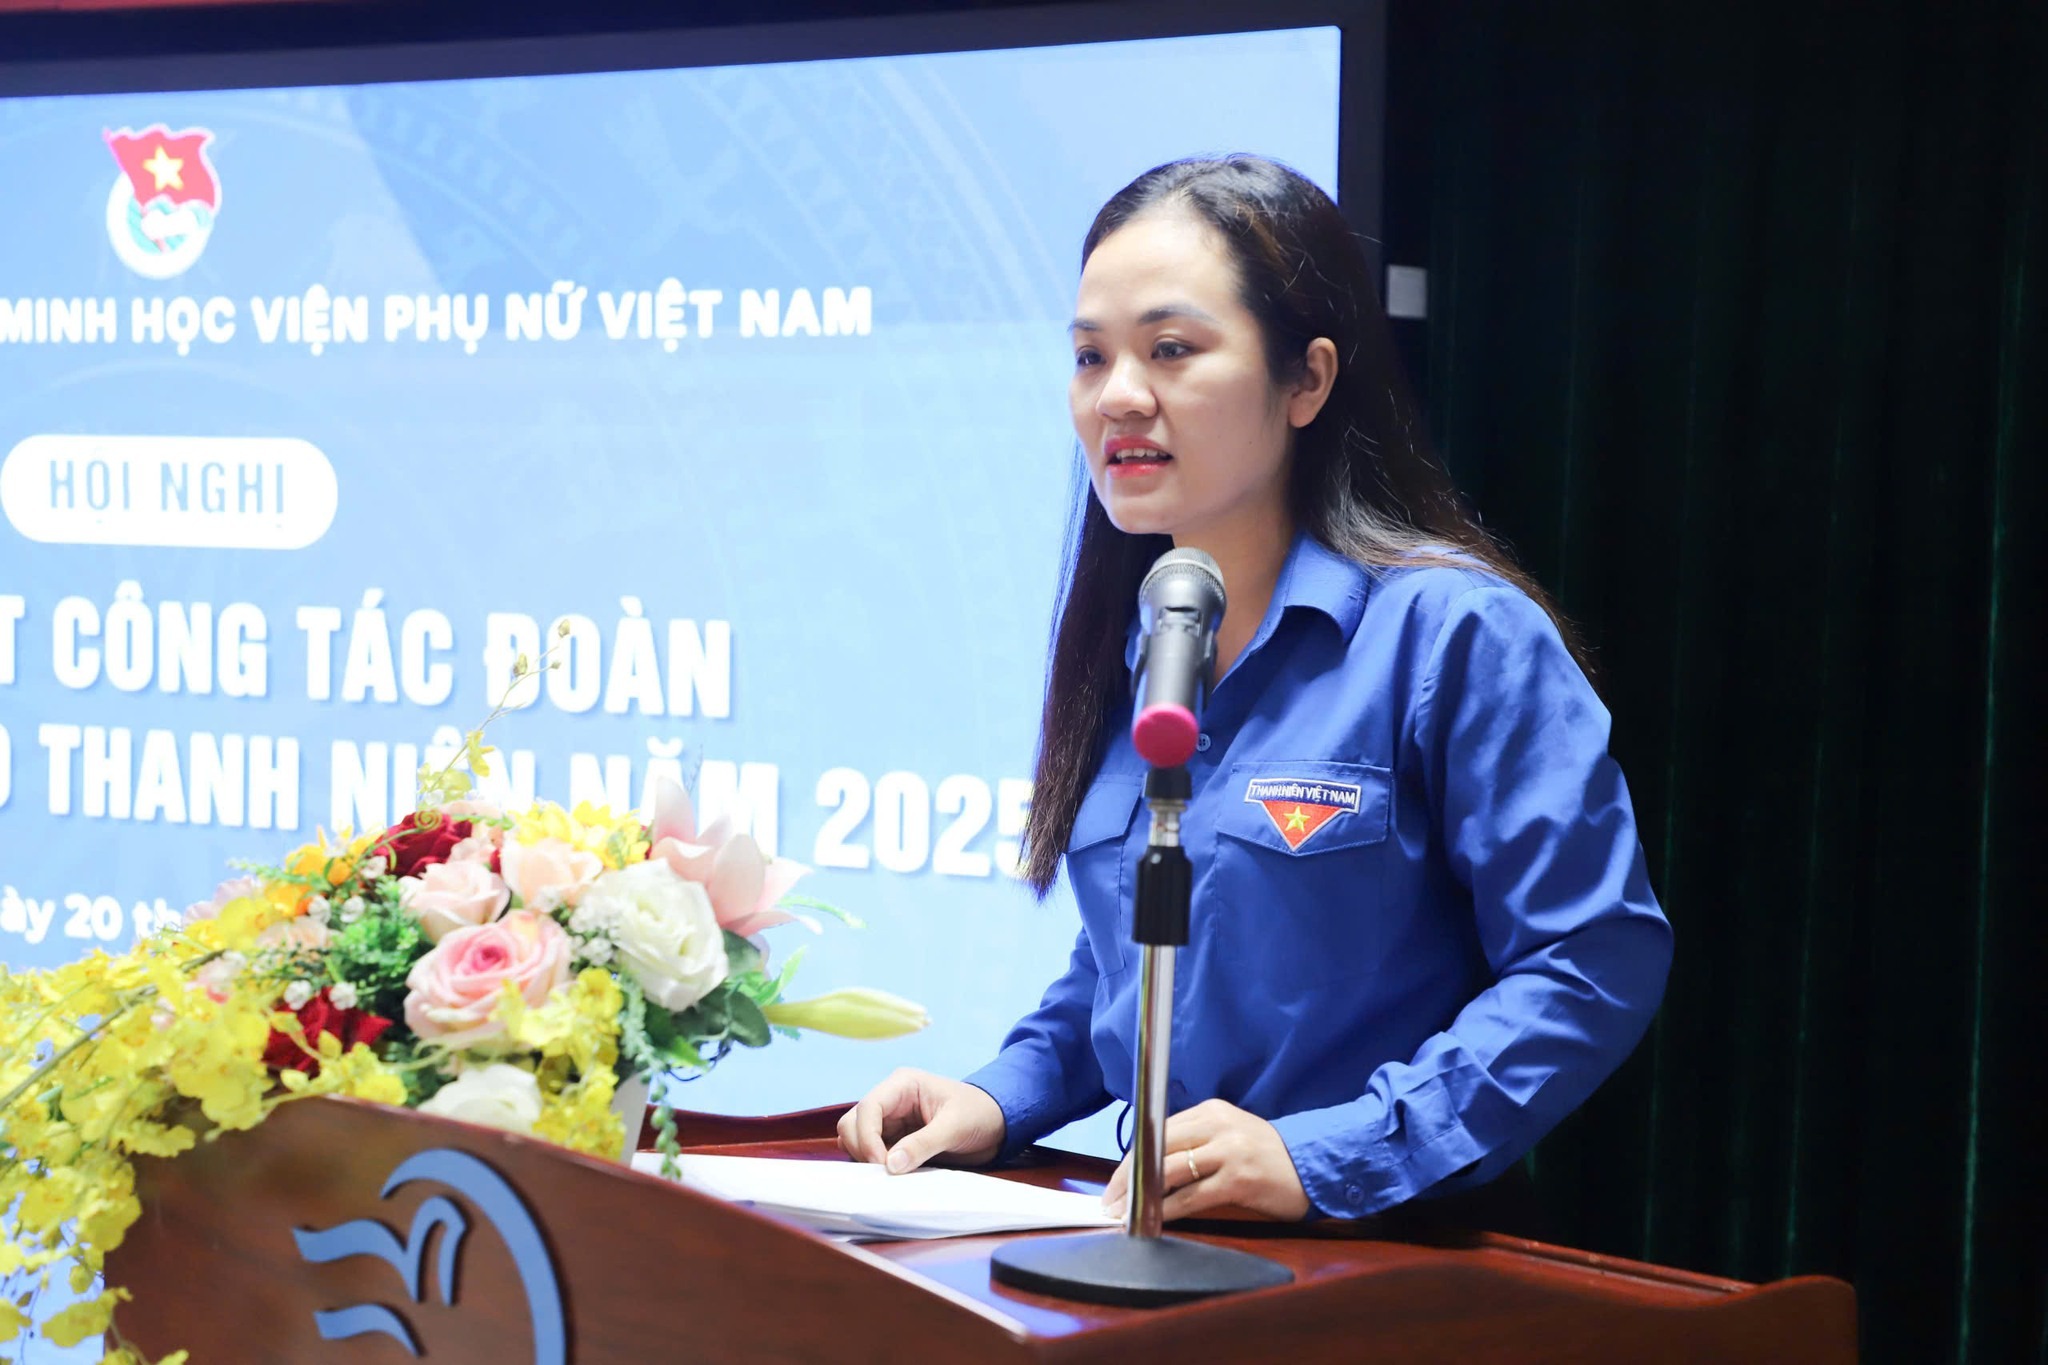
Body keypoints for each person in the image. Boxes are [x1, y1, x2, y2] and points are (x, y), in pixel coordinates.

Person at [838, 155, 1673, 1224]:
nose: (1118, 395)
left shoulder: (1452, 633)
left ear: (1306, 381)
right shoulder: (1150, 635)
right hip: (1152, 1235)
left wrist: (1327, 1154)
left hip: (1384, 1251)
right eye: (1090, 356)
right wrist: (1004, 1095)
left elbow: (1589, 957)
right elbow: (1135, 970)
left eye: (1171, 349)